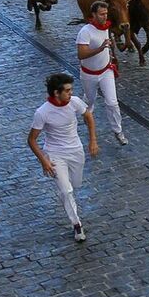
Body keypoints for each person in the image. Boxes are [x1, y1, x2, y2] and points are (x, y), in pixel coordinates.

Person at [27, 72, 99, 243]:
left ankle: (65, 192)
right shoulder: (42, 112)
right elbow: (31, 140)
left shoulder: (74, 103)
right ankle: (76, 224)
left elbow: (88, 115)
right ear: (56, 93)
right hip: (55, 154)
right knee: (66, 191)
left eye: (71, 89)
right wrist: (44, 160)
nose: (70, 93)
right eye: (67, 90)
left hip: (76, 151)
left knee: (74, 185)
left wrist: (92, 141)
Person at [76, 0, 128, 146]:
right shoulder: (85, 32)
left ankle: (118, 131)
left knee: (112, 102)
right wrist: (100, 48)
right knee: (90, 102)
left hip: (106, 71)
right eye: (101, 14)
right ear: (93, 15)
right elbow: (81, 54)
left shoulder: (107, 27)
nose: (105, 17)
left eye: (106, 14)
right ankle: (87, 111)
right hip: (89, 74)